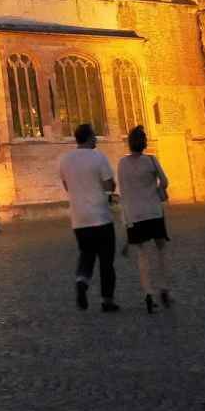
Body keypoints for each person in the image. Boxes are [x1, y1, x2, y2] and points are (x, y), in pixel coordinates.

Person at [59, 122, 119, 312]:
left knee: (86, 255)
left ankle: (82, 282)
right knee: (106, 261)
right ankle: (107, 300)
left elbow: (67, 187)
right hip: (100, 217)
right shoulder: (98, 157)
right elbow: (109, 185)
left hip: (79, 219)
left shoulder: (65, 160)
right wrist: (109, 189)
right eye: (94, 135)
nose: (96, 139)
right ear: (88, 137)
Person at [117, 125, 172, 312]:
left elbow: (123, 192)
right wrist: (156, 190)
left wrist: (126, 220)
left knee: (142, 254)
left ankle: (148, 293)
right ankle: (164, 286)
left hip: (135, 214)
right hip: (153, 211)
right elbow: (165, 182)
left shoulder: (122, 164)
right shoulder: (151, 160)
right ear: (144, 143)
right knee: (161, 249)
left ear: (129, 143)